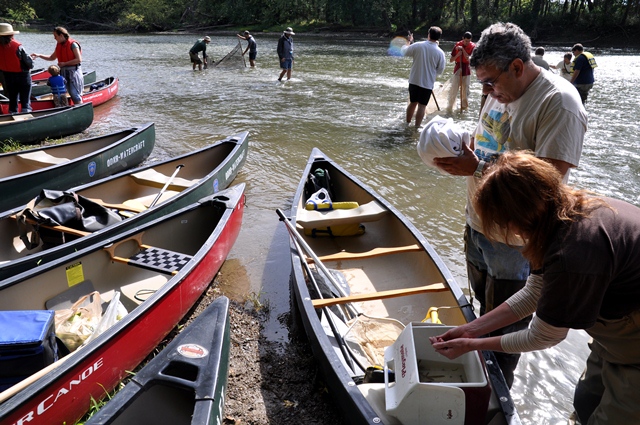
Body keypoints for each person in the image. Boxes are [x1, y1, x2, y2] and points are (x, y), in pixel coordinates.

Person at [430, 150, 640, 425]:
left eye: (504, 223)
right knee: (587, 400)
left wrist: (473, 345)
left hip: (633, 337)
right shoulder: (563, 213)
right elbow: (534, 292)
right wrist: (471, 329)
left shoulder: (572, 253)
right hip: (615, 332)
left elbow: (544, 337)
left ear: (520, 216)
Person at [432, 22, 587, 388]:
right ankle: (476, 375)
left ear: (517, 67)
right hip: (479, 224)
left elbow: (548, 184)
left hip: (515, 241)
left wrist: (478, 167)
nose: (485, 90)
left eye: (489, 82)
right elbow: (488, 142)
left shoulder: (558, 103)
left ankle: (496, 397)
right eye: (481, 81)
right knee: (482, 306)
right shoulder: (500, 89)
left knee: (505, 326)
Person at [400, 27, 446, 127]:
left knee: (412, 103)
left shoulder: (418, 45)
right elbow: (440, 71)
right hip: (427, 84)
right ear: (439, 38)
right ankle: (417, 127)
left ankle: (407, 123)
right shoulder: (440, 53)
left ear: (428, 34)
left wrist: (408, 41)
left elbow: (404, 51)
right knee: (422, 106)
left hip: (414, 80)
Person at [31, 27, 83, 104]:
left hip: (74, 71)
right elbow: (52, 57)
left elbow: (79, 59)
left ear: (61, 35)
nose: (54, 38)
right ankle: (65, 107)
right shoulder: (59, 45)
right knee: (62, 92)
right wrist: (39, 55)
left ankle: (80, 107)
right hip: (64, 71)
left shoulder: (73, 44)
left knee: (74, 93)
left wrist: (65, 63)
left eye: (55, 36)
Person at [0, 23, 32, 114]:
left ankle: (12, 114)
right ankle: (26, 115)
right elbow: (30, 63)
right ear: (11, 34)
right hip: (22, 75)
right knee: (25, 100)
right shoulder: (18, 46)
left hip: (7, 76)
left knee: (13, 100)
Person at [447, 31, 475, 111]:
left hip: (467, 70)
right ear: (463, 38)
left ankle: (464, 108)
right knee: (454, 90)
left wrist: (463, 49)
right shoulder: (457, 45)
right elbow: (451, 60)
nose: (467, 42)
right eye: (466, 41)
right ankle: (450, 107)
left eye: (469, 41)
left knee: (465, 91)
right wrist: (457, 55)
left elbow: (469, 59)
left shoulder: (473, 47)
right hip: (458, 68)